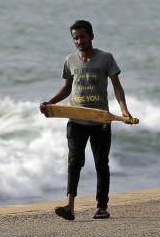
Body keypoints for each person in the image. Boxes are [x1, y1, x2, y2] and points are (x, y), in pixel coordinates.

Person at [40, 20, 132, 221]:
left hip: (100, 120)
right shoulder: (70, 60)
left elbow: (117, 86)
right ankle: (70, 206)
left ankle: (101, 206)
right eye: (75, 38)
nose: (79, 41)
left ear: (91, 36)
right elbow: (67, 88)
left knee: (101, 163)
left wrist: (124, 111)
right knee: (74, 161)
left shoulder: (106, 59)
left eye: (82, 36)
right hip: (76, 119)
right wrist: (50, 103)